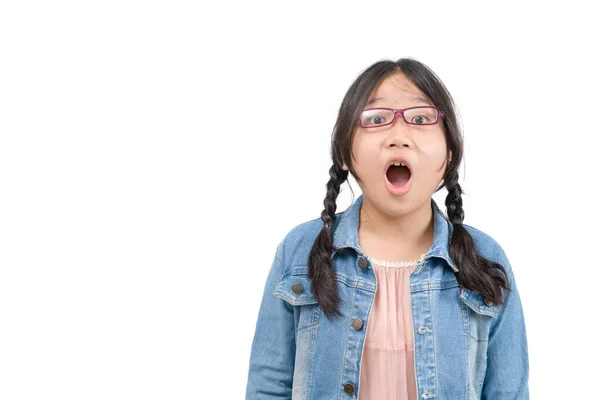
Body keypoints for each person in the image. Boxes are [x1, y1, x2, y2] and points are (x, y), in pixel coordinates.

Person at [245, 57, 529, 400]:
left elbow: (508, 393)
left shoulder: (486, 258)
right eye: (376, 119)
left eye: (421, 118)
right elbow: (267, 388)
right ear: (346, 152)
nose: (399, 136)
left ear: (450, 152)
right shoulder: (299, 251)